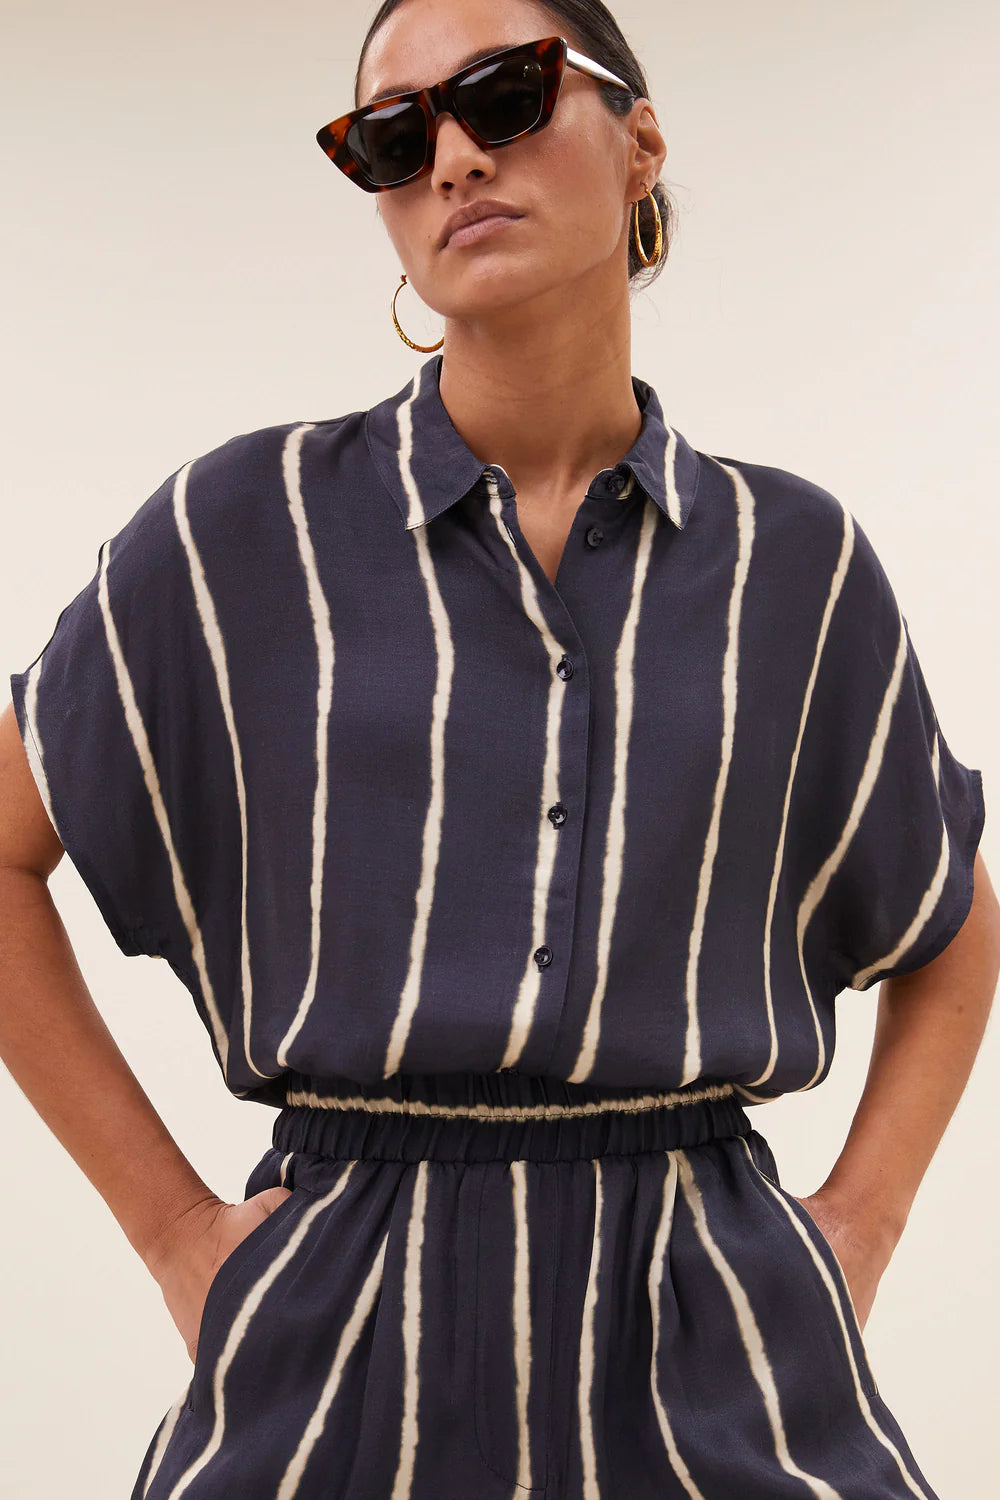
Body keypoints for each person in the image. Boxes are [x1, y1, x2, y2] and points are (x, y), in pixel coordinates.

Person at [1, 1, 996, 1496]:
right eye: (394, 138)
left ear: (640, 139)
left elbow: (949, 918)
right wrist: (170, 1233)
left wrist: (862, 1227)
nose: (455, 158)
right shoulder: (238, 534)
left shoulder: (796, 565)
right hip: (336, 1334)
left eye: (507, 96)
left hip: (714, 1334)